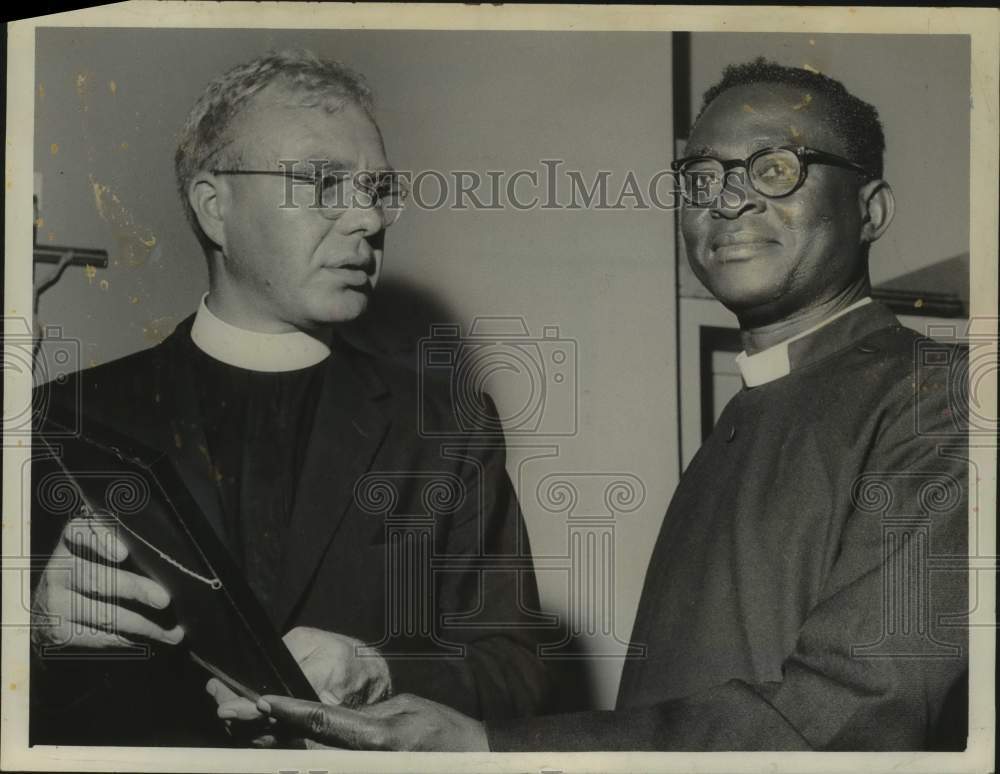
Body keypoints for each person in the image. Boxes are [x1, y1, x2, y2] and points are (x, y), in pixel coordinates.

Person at [249, 59, 970, 751]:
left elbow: (859, 713)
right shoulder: (756, 407)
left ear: (871, 209)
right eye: (700, 175)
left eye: (776, 168)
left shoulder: (939, 397)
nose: (727, 198)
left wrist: (488, 747)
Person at [29, 50, 550, 746]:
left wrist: (377, 671)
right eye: (324, 183)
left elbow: (517, 672)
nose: (367, 219)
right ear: (215, 208)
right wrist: (27, 630)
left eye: (376, 189)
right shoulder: (65, 418)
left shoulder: (449, 426)